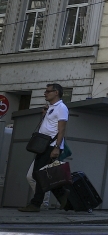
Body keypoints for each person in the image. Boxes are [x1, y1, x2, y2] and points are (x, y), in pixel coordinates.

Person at [19, 84, 68, 212]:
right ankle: (62, 194)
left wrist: (56, 147)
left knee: (39, 174)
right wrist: (44, 115)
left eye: (48, 91)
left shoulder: (61, 108)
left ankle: (36, 203)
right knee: (40, 174)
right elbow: (47, 126)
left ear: (56, 92)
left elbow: (61, 130)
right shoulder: (51, 108)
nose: (45, 93)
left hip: (51, 146)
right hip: (44, 145)